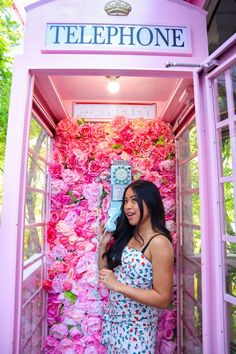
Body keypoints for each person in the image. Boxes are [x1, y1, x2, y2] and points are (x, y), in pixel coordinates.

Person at [98, 180, 174, 354]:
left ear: (151, 202)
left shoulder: (159, 243)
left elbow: (163, 299)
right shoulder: (129, 235)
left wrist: (118, 286)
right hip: (115, 323)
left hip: (136, 331)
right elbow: (105, 275)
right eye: (125, 201)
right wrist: (103, 245)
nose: (128, 207)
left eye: (134, 200)